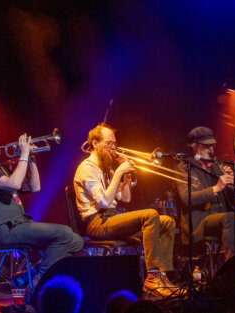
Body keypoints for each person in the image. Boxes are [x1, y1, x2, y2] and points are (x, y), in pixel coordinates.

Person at [0, 124, 83, 293]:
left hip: (18, 225)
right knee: (64, 234)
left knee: (76, 241)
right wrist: (23, 154)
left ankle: (28, 276)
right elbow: (14, 184)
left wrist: (30, 159)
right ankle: (37, 282)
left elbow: (35, 186)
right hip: (3, 231)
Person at [73, 123, 178, 298]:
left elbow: (125, 198)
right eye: (109, 143)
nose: (113, 147)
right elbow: (104, 202)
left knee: (167, 222)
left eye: (114, 143)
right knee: (150, 214)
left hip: (112, 219)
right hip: (98, 223)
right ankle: (152, 278)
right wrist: (118, 172)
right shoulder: (87, 167)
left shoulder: (106, 167)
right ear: (95, 143)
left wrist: (126, 177)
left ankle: (162, 277)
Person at [175, 126, 235, 260]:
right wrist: (216, 188)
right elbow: (186, 198)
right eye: (206, 146)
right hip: (199, 222)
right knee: (229, 218)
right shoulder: (184, 167)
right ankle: (231, 267)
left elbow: (234, 202)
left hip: (225, 220)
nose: (211, 149)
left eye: (212, 145)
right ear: (194, 146)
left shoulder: (217, 167)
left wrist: (231, 188)